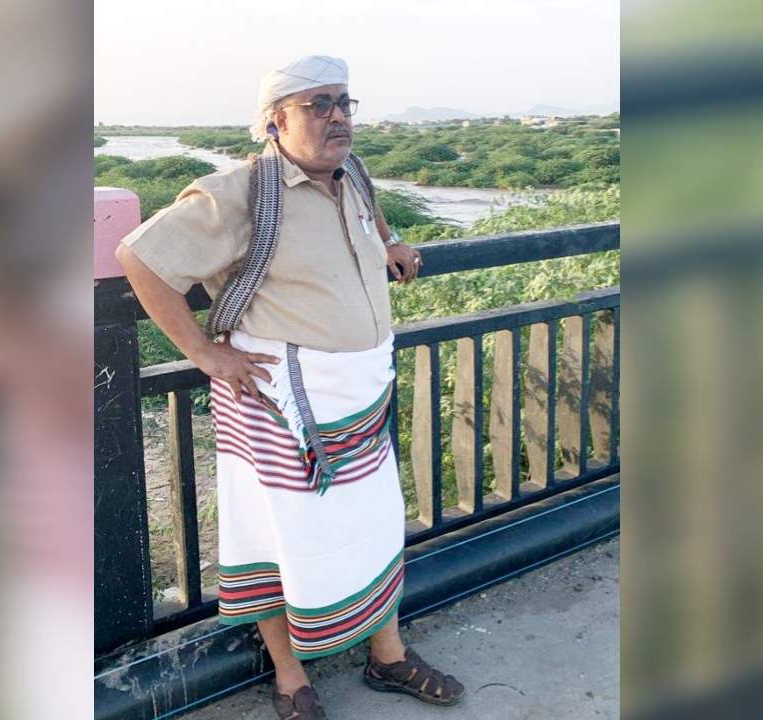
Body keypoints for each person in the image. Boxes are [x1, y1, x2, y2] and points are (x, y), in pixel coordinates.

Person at [115, 55, 465, 719]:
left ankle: (387, 656)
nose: (338, 116)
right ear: (275, 120)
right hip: (279, 406)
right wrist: (202, 352)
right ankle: (290, 676)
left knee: (371, 526)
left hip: (359, 399)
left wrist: (391, 242)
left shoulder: (351, 174)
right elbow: (139, 256)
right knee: (277, 536)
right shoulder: (240, 193)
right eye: (317, 104)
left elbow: (370, 219)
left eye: (344, 102)